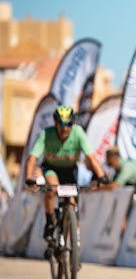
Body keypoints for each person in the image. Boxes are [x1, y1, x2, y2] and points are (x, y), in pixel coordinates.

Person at [24, 105, 108, 250]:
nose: (65, 128)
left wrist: (102, 176)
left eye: (69, 124)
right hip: (51, 168)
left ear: (73, 124)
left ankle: (71, 236)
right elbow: (32, 158)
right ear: (55, 123)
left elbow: (91, 157)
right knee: (52, 188)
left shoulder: (78, 133)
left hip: (70, 170)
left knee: (71, 203)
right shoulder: (46, 134)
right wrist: (28, 177)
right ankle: (50, 222)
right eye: (61, 124)